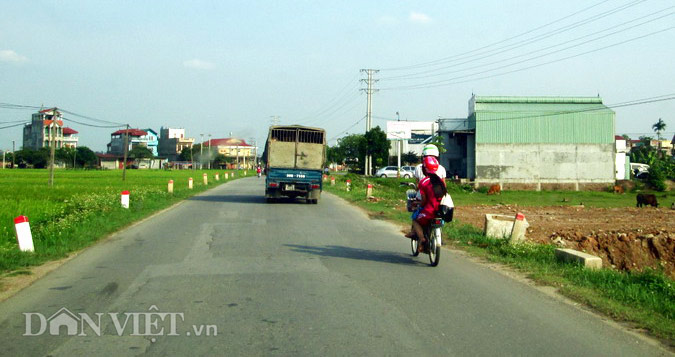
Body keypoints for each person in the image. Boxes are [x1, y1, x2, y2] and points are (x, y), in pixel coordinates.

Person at [406, 156, 447, 252]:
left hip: (429, 211)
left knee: (415, 220)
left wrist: (417, 203)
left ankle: (422, 238)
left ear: (425, 169)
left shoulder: (424, 182)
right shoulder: (440, 181)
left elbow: (423, 201)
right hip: (440, 211)